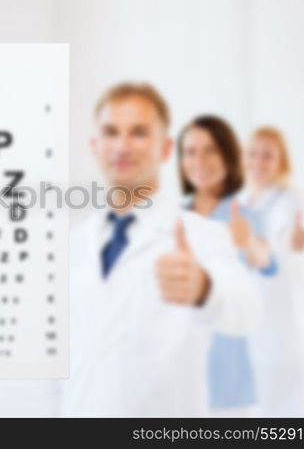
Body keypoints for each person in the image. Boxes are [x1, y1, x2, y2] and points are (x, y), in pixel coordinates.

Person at [59, 83, 261, 417]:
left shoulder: (201, 235)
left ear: (166, 148)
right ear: (95, 147)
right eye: (111, 132)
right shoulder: (73, 245)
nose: (122, 146)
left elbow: (247, 310)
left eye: (138, 133)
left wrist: (204, 289)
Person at [177, 115, 277, 416]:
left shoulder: (243, 215)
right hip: (179, 374)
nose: (200, 161)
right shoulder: (173, 217)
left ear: (228, 155)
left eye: (211, 150)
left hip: (228, 381)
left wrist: (248, 244)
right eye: (191, 152)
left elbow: (267, 260)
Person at [237, 126, 304, 416]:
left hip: (283, 322)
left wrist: (291, 238)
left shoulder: (288, 198)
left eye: (267, 156)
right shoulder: (241, 203)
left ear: (281, 161)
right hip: (253, 322)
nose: (258, 162)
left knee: (287, 408)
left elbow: (286, 232)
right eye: (252, 154)